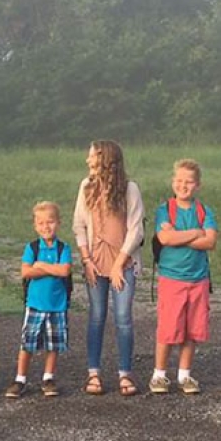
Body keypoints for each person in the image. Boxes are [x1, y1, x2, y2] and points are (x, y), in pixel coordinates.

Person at [72, 139, 144, 396]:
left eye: (92, 156)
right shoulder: (86, 186)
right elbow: (79, 225)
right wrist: (86, 260)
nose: (87, 160)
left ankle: (125, 373)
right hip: (95, 260)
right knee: (96, 315)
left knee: (123, 317)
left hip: (122, 261)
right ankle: (94, 373)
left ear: (105, 159)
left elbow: (136, 229)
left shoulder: (129, 189)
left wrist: (118, 265)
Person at [149, 158, 218, 395]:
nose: (183, 185)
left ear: (197, 185)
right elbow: (165, 239)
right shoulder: (165, 209)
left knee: (192, 329)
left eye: (189, 182)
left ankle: (184, 375)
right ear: (172, 182)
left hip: (198, 279)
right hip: (172, 278)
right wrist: (195, 232)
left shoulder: (204, 211)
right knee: (168, 328)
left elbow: (210, 241)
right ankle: (159, 375)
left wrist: (180, 235)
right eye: (179, 180)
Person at [5, 201, 73, 399]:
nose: (46, 227)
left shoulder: (63, 248)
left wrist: (41, 266)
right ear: (36, 226)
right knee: (28, 343)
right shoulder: (32, 247)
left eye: (50, 222)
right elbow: (26, 272)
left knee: (53, 344)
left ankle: (48, 377)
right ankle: (20, 378)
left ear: (58, 223)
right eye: (41, 223)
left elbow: (65, 270)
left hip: (57, 305)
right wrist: (49, 269)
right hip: (35, 304)